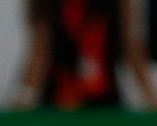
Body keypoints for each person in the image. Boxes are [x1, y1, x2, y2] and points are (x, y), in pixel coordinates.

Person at [14, 0, 157, 108]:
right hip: (57, 97)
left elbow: (131, 48)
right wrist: (25, 98)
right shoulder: (45, 4)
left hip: (103, 98)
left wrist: (150, 97)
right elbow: (40, 50)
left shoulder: (120, 3)